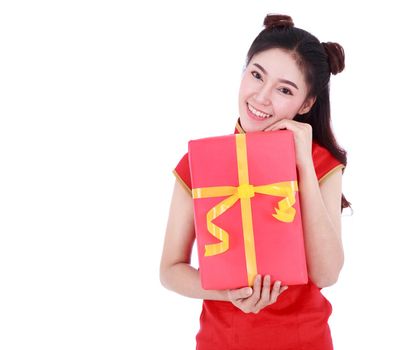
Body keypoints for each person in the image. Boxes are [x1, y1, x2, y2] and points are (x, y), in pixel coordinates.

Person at [160, 13, 351, 350]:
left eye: (284, 89)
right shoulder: (199, 162)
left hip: (304, 340)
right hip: (222, 340)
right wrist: (225, 292)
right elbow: (171, 270)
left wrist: (303, 164)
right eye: (256, 75)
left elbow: (327, 274)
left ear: (306, 103)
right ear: (243, 71)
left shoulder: (321, 164)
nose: (262, 97)